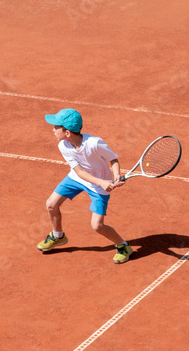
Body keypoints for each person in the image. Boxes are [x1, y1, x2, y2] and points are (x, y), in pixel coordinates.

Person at [37, 108, 134, 264]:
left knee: (98, 226)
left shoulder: (95, 143)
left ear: (67, 132)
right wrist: (102, 182)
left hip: (97, 188)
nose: (53, 130)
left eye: (56, 127)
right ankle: (58, 236)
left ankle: (123, 246)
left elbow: (113, 160)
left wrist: (116, 176)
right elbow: (80, 172)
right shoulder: (63, 145)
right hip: (78, 178)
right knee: (51, 204)